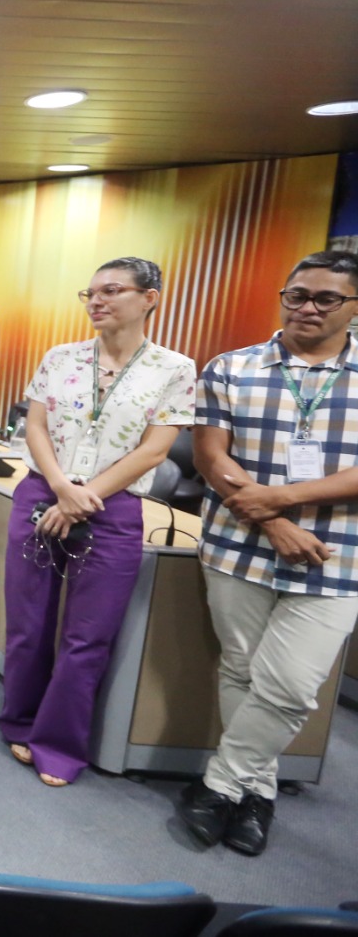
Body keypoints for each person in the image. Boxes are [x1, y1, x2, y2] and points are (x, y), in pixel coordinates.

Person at [178, 250, 358, 856]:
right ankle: (258, 793)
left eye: (325, 298)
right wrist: (275, 521)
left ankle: (220, 784)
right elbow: (210, 456)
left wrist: (280, 497)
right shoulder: (232, 367)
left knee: (289, 688)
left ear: (352, 307)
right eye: (297, 295)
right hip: (238, 544)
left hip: (339, 560)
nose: (307, 307)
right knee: (242, 669)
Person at [0, 258, 195, 787]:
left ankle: (59, 744)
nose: (96, 302)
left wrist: (85, 495)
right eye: (89, 293)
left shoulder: (173, 369)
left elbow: (156, 449)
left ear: (150, 297)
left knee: (88, 637)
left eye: (111, 291)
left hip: (113, 508)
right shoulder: (61, 357)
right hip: (44, 493)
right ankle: (18, 720)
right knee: (28, 623)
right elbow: (35, 425)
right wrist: (63, 488)